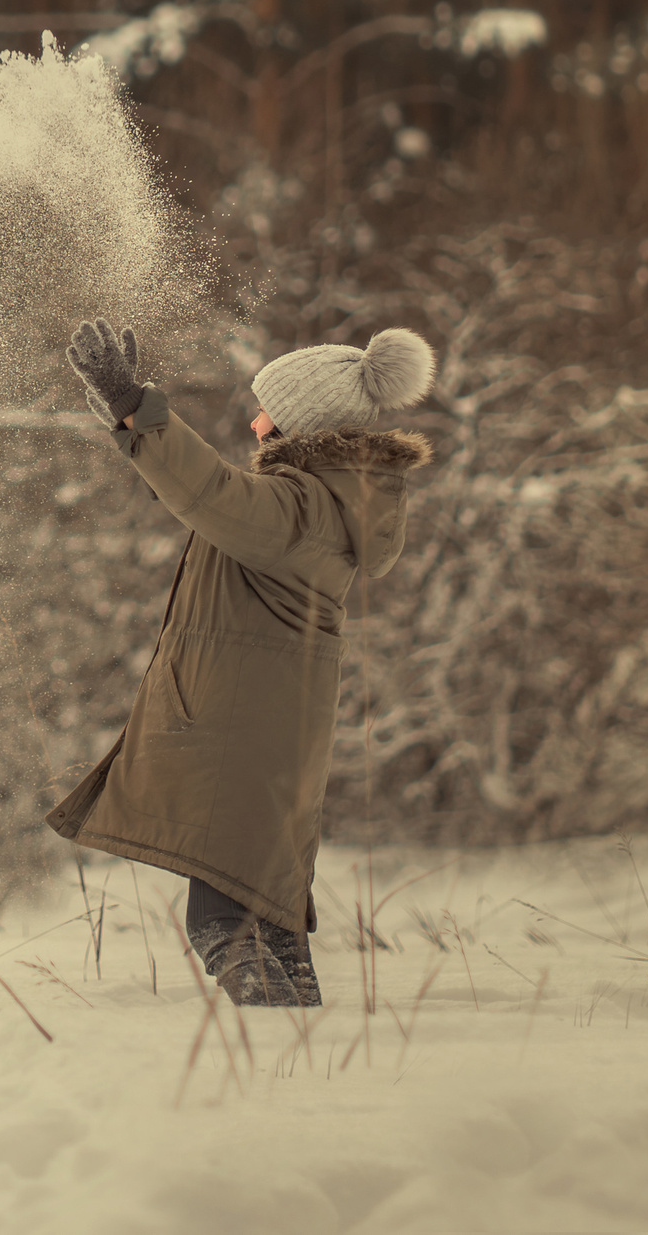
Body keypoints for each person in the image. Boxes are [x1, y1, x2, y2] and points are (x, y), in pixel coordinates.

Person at [47, 320, 435, 1006]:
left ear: (299, 426)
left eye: (267, 411)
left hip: (241, 734)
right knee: (272, 933)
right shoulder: (327, 505)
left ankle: (270, 1043)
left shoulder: (298, 508)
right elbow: (205, 503)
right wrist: (131, 423)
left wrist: (136, 407)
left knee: (222, 924)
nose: (255, 423)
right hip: (275, 739)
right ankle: (299, 1045)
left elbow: (211, 494)